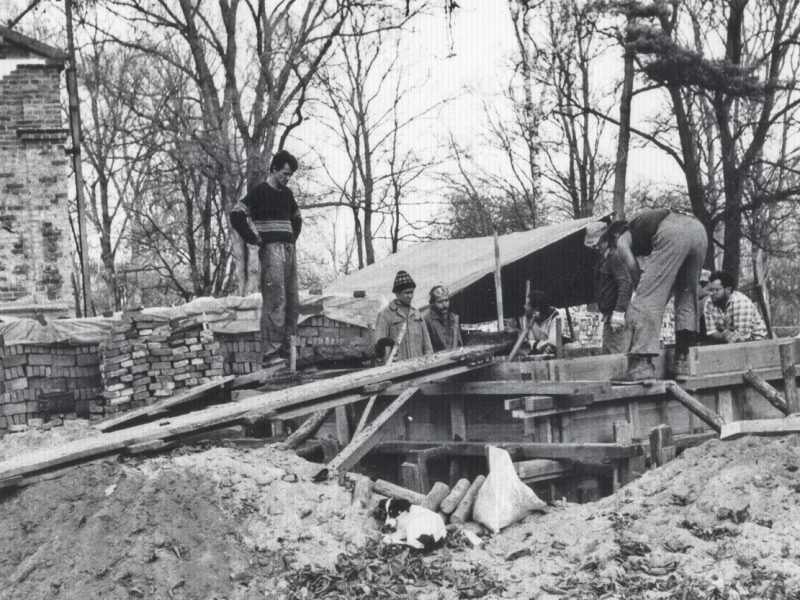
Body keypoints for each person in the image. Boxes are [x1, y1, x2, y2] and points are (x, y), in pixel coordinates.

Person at [601, 208, 708, 380]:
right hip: (699, 230)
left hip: (674, 231)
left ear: (614, 236)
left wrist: (644, 293)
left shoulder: (621, 239)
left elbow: (633, 269)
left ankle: (642, 365)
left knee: (647, 299)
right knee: (687, 297)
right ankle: (683, 362)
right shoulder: (646, 226)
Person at [230, 150, 301, 364]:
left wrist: (292, 238)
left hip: (289, 250)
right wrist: (253, 238)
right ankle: (272, 353)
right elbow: (236, 214)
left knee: (292, 301)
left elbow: (297, 218)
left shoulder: (287, 194)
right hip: (271, 251)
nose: (287, 178)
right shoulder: (259, 192)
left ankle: (289, 351)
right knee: (275, 300)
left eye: (290, 175)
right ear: (274, 169)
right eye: (284, 173)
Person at [585, 221, 633, 354]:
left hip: (617, 316)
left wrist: (619, 312)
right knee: (608, 355)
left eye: (598, 243)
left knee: (617, 360)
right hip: (609, 316)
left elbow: (625, 283)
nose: (596, 247)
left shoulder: (615, 257)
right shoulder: (603, 259)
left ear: (606, 239)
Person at [375, 270, 434, 361]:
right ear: (397, 293)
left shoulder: (417, 315)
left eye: (412, 292)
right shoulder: (385, 315)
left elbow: (428, 346)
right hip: (397, 369)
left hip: (418, 366)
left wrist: (429, 362)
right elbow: (380, 345)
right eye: (407, 293)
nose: (410, 296)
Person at [704, 270, 768, 343]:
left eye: (716, 290)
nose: (712, 293)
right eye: (711, 290)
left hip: (757, 342)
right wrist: (723, 335)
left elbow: (741, 339)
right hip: (732, 341)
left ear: (728, 289)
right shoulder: (709, 302)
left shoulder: (741, 303)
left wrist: (726, 336)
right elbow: (711, 331)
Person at [423, 285, 463, 352]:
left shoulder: (454, 318)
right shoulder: (426, 320)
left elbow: (459, 343)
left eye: (446, 300)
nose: (444, 305)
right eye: (440, 302)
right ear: (432, 303)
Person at [526, 290, 562, 355]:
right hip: (537, 351)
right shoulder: (530, 317)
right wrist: (538, 346)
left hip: (554, 351)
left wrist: (545, 346)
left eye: (528, 305)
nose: (525, 307)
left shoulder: (555, 317)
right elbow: (529, 340)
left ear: (536, 309)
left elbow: (553, 341)